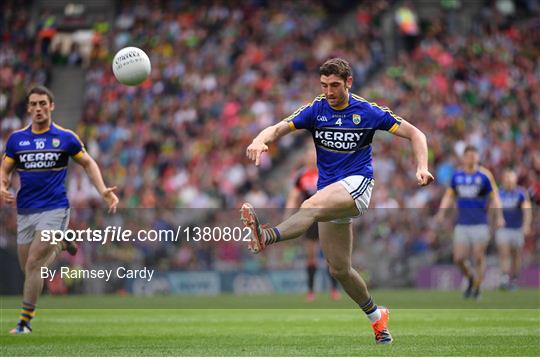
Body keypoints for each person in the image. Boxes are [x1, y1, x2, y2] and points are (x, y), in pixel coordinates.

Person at [240, 58, 434, 344]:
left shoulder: (367, 111)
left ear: (349, 83)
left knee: (310, 206)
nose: (329, 92)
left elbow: (416, 133)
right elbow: (279, 128)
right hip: (331, 191)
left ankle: (266, 236)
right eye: (324, 85)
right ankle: (377, 317)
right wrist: (259, 139)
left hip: (358, 185)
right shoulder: (316, 110)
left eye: (334, 86)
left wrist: (421, 166)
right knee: (339, 269)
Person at [1, 86, 119, 334]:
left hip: (55, 208)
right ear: (29, 108)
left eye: (43, 103)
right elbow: (5, 169)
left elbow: (88, 162)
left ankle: (24, 323)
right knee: (31, 269)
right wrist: (2, 186)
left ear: (51, 106)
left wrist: (102, 190)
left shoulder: (66, 137)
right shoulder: (16, 140)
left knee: (34, 263)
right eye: (33, 104)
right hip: (26, 210)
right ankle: (63, 242)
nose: (38, 108)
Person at [436, 145, 504, 300]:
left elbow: (495, 197)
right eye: (469, 155)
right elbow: (449, 196)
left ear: (478, 157)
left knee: (479, 256)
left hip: (480, 222)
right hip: (462, 223)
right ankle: (472, 278)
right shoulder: (457, 176)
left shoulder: (485, 176)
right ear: (464, 158)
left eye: (474, 155)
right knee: (458, 258)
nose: (472, 158)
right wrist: (441, 212)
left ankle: (478, 287)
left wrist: (499, 216)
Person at [285, 143, 340, 302]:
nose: (311, 157)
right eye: (309, 155)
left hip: (325, 216)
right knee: (311, 257)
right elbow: (293, 197)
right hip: (309, 218)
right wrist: (288, 214)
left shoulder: (327, 172)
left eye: (313, 154)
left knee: (330, 256)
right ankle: (311, 291)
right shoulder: (301, 176)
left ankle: (334, 289)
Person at [496, 169, 532, 290]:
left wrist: (526, 225)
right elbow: (494, 210)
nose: (509, 181)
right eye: (507, 178)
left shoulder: (521, 193)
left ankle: (515, 279)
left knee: (516, 255)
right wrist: (495, 221)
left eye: (511, 178)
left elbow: (527, 210)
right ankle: (505, 279)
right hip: (503, 229)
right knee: (504, 253)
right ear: (503, 180)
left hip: (517, 229)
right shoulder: (499, 194)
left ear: (515, 179)